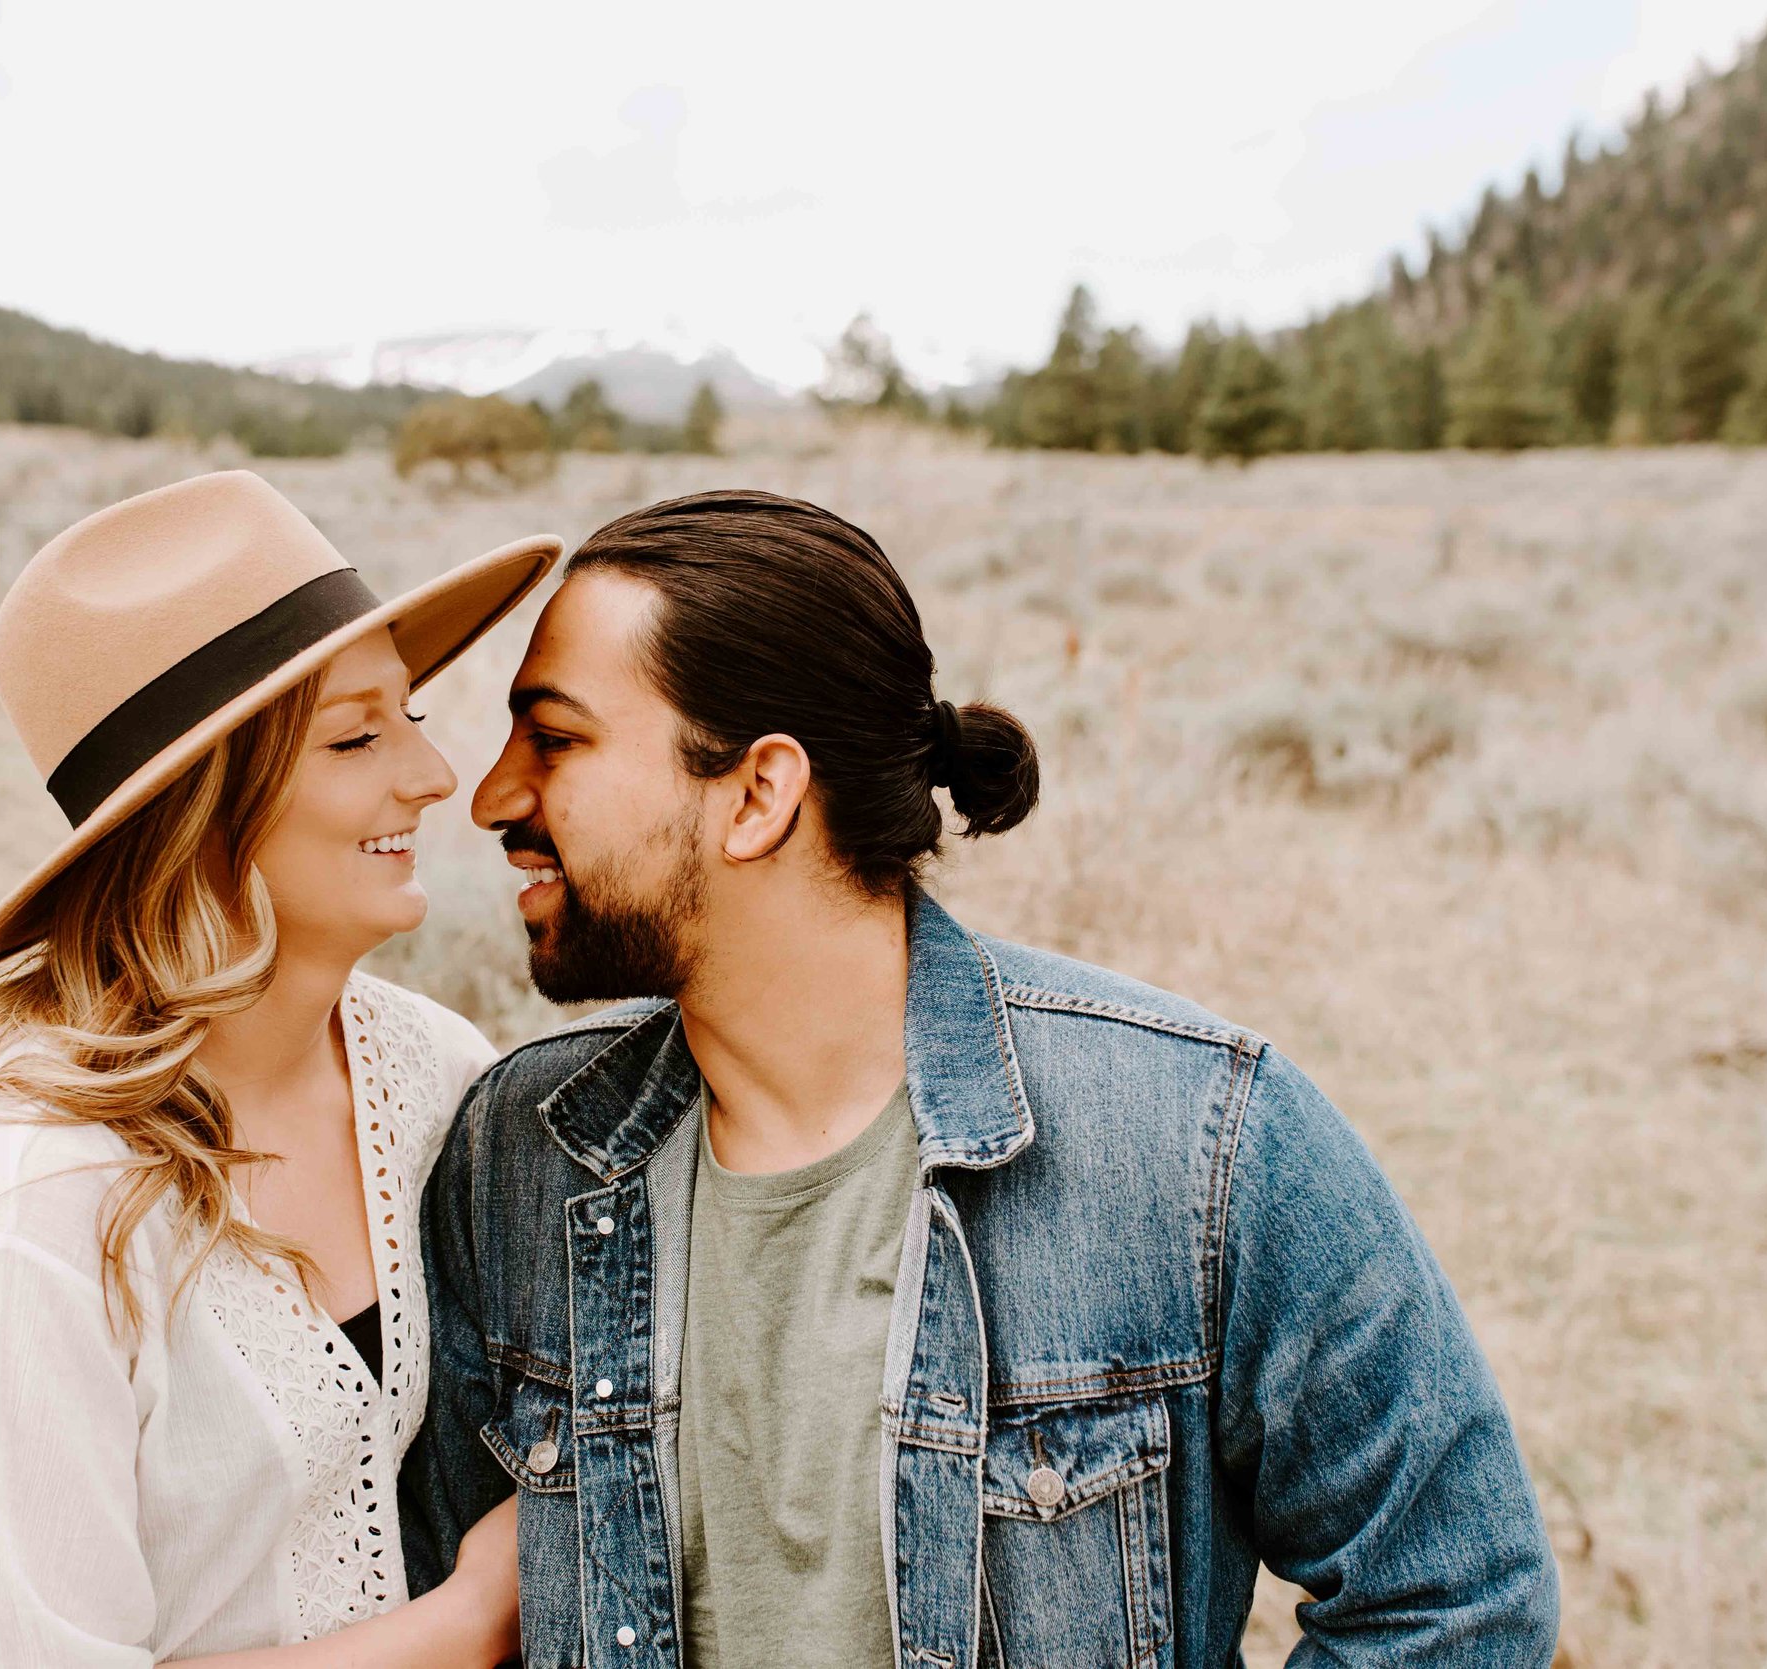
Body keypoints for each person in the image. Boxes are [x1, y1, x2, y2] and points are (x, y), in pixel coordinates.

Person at [400, 489, 1560, 1668]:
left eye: (552, 737)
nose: (490, 794)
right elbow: (448, 1602)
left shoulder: (1196, 1140)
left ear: (759, 794)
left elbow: (1453, 1597)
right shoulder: (519, 1152)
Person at [0, 470, 554, 1667]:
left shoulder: (434, 1074)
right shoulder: (16, 1216)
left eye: (414, 715)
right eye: (355, 735)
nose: (432, 778)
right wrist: (462, 1625)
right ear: (199, 811)